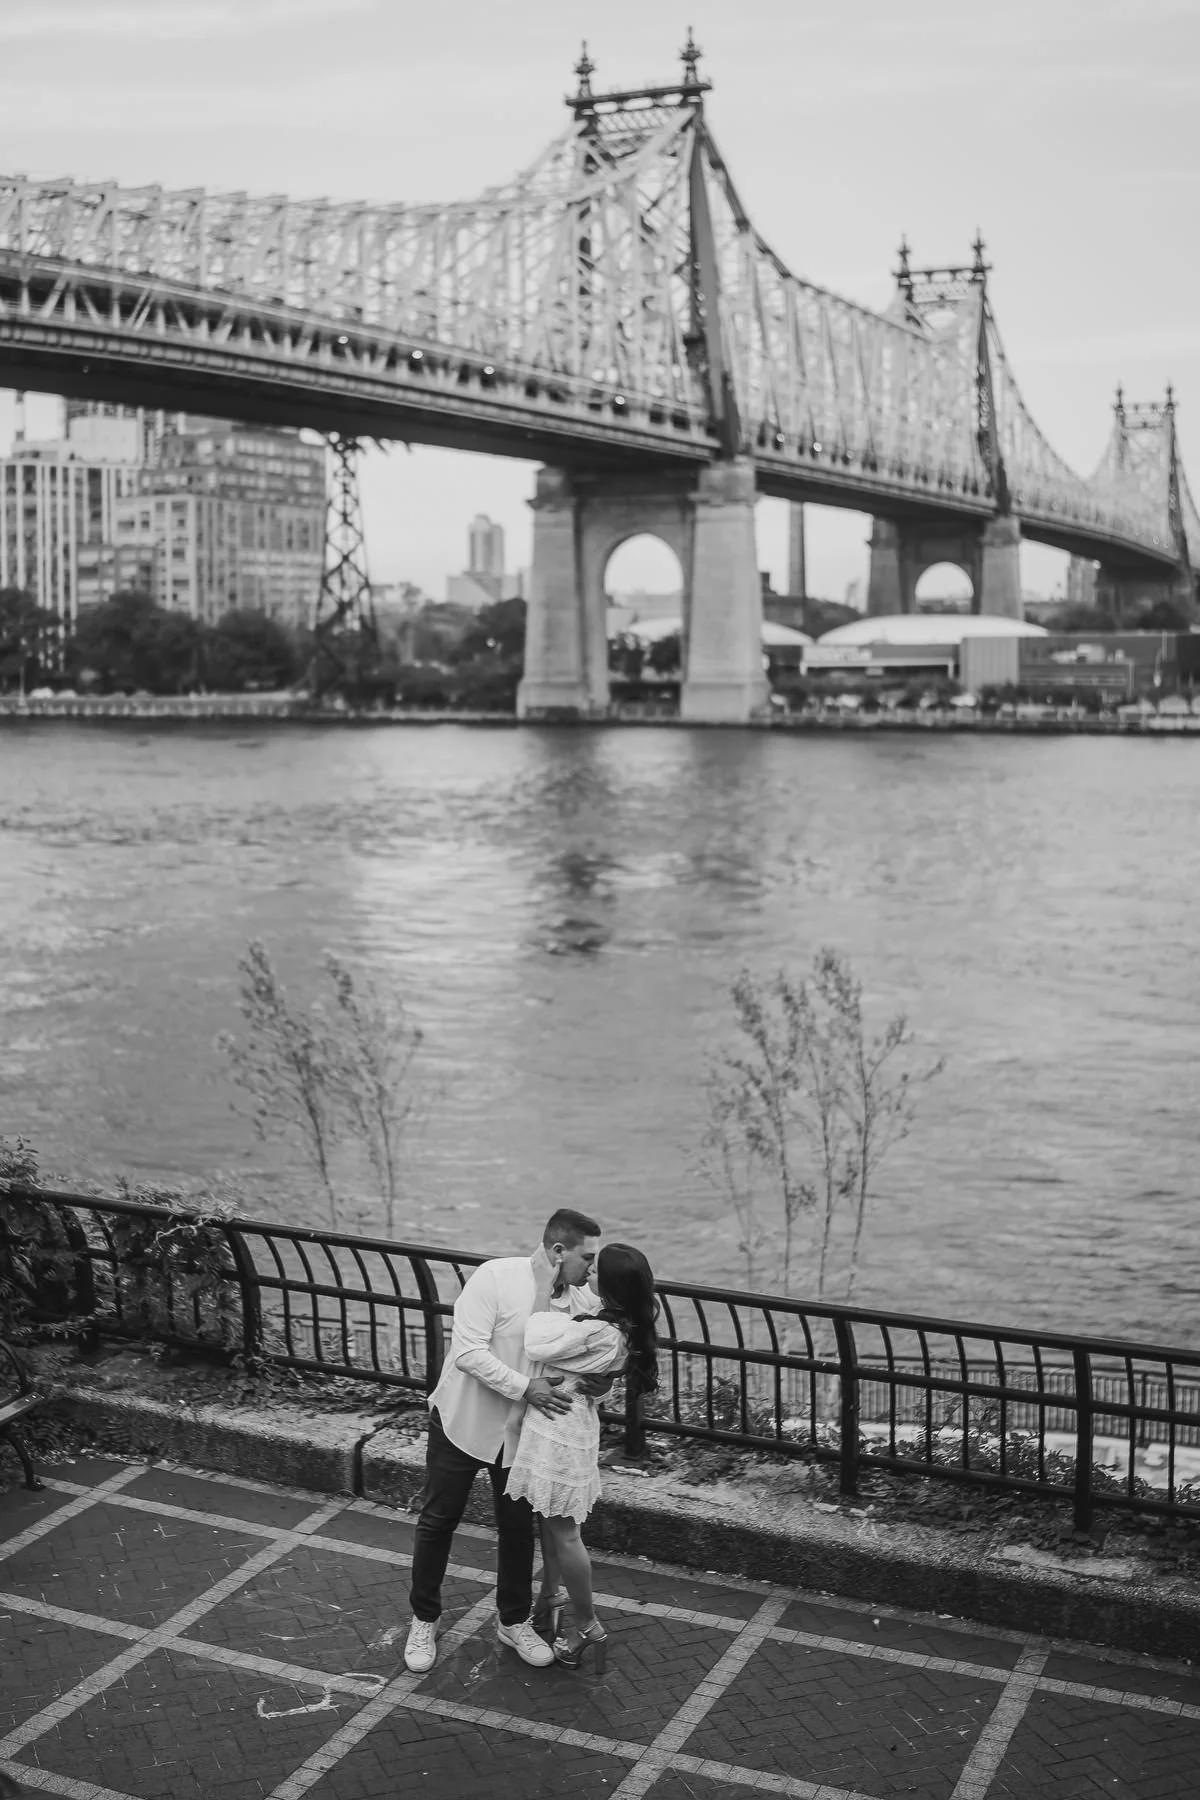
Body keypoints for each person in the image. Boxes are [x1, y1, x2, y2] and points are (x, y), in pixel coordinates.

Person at [404, 1208, 604, 1674]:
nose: (591, 1269)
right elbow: (468, 1351)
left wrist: (602, 1386)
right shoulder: (495, 1277)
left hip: (524, 1438)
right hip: (463, 1421)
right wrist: (526, 1387)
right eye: (586, 1258)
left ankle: (513, 1621)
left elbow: (591, 1371)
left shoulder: (585, 1304)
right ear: (558, 1251)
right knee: (438, 1520)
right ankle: (424, 1618)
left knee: (517, 1530)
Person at [506, 1243, 659, 1673]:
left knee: (565, 1533)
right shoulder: (617, 1327)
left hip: (559, 1435)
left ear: (610, 1285)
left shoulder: (600, 1332)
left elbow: (534, 1338)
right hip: (568, 1427)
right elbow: (590, 1367)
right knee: (552, 1527)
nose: (589, 1271)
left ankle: (586, 1623)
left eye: (597, 1268)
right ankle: (549, 1597)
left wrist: (546, 1301)